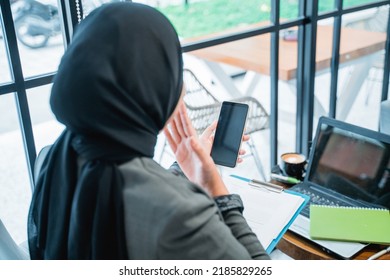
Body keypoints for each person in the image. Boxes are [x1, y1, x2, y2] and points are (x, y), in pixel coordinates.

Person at [28, 2, 270, 260]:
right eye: (172, 69)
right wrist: (215, 188)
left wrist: (181, 169)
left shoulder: (54, 158)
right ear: (149, 87)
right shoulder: (181, 215)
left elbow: (130, 199)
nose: (182, 86)